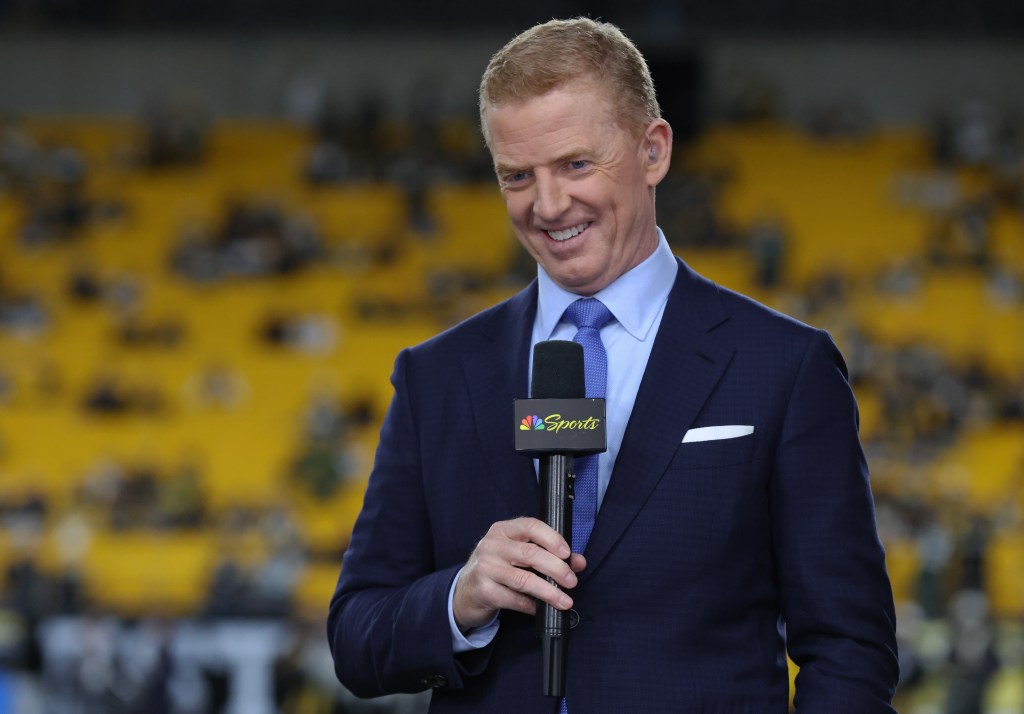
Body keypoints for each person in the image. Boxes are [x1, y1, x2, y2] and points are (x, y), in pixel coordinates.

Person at [327, 18, 899, 712]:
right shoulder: (437, 376)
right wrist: (461, 596)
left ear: (653, 151)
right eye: (517, 176)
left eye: (574, 164)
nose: (548, 205)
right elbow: (357, 638)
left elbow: (849, 647)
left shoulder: (784, 365)